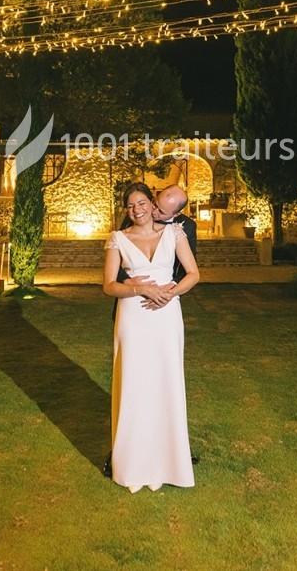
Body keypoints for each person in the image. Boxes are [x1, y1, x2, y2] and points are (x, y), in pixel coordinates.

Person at [103, 182, 200, 493]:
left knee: (166, 382)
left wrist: (167, 294)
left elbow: (193, 274)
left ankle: (171, 460)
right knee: (133, 383)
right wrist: (140, 289)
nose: (140, 209)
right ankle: (130, 461)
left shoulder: (176, 233)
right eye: (133, 205)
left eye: (143, 203)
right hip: (132, 316)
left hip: (167, 316)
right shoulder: (118, 238)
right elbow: (108, 285)